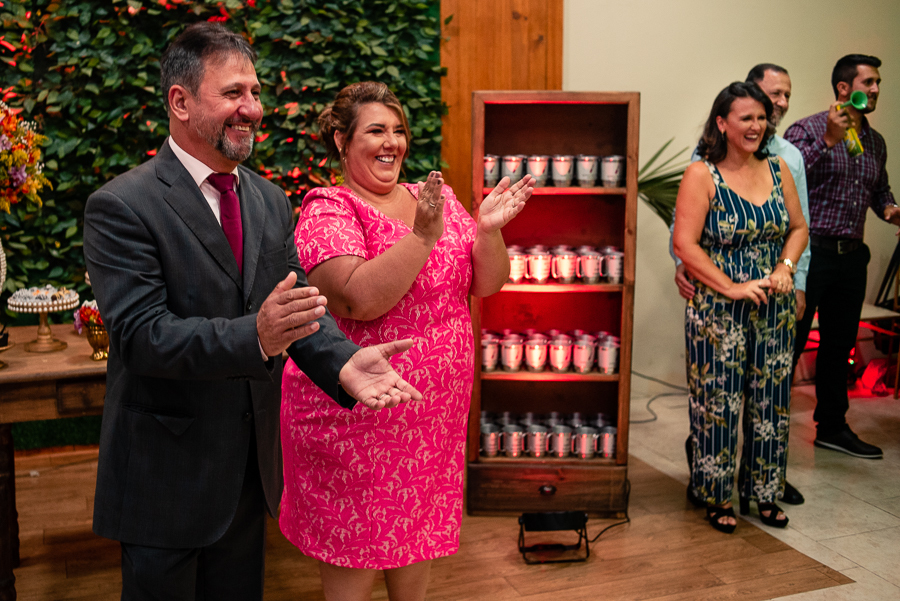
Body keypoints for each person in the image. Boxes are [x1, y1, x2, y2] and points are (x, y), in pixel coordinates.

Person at [83, 24, 421, 600]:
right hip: (164, 481)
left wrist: (344, 362)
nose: (253, 109)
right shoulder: (122, 205)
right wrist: (256, 338)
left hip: (247, 476)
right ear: (180, 102)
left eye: (256, 92)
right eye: (233, 93)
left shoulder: (266, 199)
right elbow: (142, 337)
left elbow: (299, 309)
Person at [279, 81, 533, 600]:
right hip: (359, 421)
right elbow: (356, 299)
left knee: (415, 547)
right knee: (356, 553)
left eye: (398, 130)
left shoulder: (432, 199)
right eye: (376, 130)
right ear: (341, 140)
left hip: (431, 424)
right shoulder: (329, 209)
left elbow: (486, 283)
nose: (391, 142)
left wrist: (487, 231)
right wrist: (422, 237)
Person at [672, 63, 810, 506]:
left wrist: (786, 267)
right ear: (722, 123)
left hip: (774, 306)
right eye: (746, 117)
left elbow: (799, 228)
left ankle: (764, 493)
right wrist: (730, 287)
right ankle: (715, 496)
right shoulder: (701, 174)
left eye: (761, 117)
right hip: (718, 310)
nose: (756, 126)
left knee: (772, 403)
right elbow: (685, 243)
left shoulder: (778, 169)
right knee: (718, 405)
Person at [784, 54, 899, 459]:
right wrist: (829, 141)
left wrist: (890, 209)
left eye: (878, 82)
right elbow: (786, 178)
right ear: (844, 89)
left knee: (839, 346)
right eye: (869, 82)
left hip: (851, 258)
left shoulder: (875, 142)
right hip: (810, 254)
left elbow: (879, 190)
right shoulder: (807, 129)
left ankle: (832, 427)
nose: (876, 89)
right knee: (791, 343)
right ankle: (769, 427)